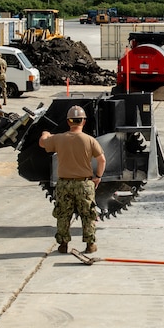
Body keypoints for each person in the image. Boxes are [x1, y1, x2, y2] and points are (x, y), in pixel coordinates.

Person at [38, 105, 106, 254]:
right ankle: (90, 245)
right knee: (88, 215)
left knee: (63, 214)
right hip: (84, 184)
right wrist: (98, 177)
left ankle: (63, 244)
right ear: (83, 121)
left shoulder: (58, 139)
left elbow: (42, 143)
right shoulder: (90, 140)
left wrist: (45, 133)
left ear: (69, 121)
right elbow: (102, 160)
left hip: (64, 183)